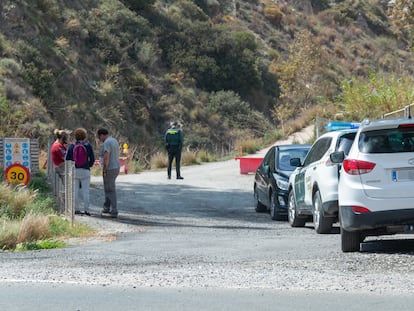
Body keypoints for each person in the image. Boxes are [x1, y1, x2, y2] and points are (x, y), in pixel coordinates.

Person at [65, 128, 95, 216]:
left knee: (75, 191)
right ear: (84, 136)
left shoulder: (72, 146)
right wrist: (88, 165)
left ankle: (76, 209)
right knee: (86, 191)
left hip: (75, 170)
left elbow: (67, 159)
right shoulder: (88, 145)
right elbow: (92, 159)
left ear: (75, 136)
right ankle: (87, 210)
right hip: (85, 170)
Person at [97, 128, 120, 218]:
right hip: (116, 167)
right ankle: (106, 207)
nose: (100, 139)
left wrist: (105, 168)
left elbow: (107, 155)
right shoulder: (114, 140)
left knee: (110, 189)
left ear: (102, 135)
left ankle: (114, 210)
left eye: (99, 137)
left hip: (110, 168)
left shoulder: (107, 143)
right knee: (108, 188)